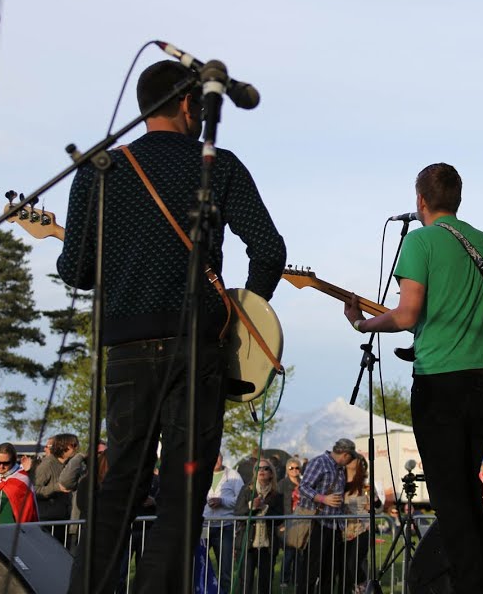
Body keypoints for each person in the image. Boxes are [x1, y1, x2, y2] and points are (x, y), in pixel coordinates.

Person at [58, 59, 287, 594]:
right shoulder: (218, 165)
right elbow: (269, 249)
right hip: (196, 349)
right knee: (183, 497)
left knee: (119, 488)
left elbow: (74, 270)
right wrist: (245, 315)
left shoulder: (99, 170)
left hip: (127, 349)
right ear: (191, 105)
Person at [343, 162, 483, 593]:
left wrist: (361, 325)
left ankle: (469, 584)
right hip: (480, 381)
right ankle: (481, 579)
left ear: (420, 200)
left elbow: (406, 316)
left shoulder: (420, 242)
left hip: (438, 381)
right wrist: (473, 315)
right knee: (465, 487)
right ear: (457, 199)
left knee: (449, 496)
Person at [296, 438, 356, 594]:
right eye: (351, 456)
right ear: (345, 454)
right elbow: (303, 487)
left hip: (334, 526)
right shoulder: (319, 462)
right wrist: (322, 498)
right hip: (317, 523)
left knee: (329, 571)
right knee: (311, 568)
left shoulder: (340, 469)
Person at [235, 458, 284, 594]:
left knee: (265, 584)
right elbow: (238, 513)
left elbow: (279, 518)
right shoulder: (246, 490)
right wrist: (252, 507)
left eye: (265, 468)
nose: (261, 471)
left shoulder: (277, 495)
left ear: (272, 473)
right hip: (247, 545)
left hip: (267, 547)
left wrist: (265, 507)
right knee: (245, 583)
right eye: (258, 468)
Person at [203, 452, 243, 594]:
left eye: (218, 457)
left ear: (222, 458)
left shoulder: (233, 475)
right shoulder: (201, 474)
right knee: (200, 564)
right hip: (204, 526)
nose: (215, 460)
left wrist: (223, 501)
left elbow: (241, 500)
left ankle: (225, 592)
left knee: (225, 568)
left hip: (225, 526)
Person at [341, 452, 381, 594]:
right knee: (343, 567)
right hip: (342, 530)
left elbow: (378, 505)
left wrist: (372, 505)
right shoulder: (340, 482)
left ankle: (363, 586)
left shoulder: (366, 486)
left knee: (354, 563)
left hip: (361, 529)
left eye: (354, 461)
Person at [36, 432, 81, 544]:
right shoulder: (47, 464)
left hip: (64, 520)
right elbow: (34, 490)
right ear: (62, 446)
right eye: (73, 445)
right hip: (48, 521)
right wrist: (56, 487)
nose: (77, 448)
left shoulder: (70, 465)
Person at [277, 456, 304, 588]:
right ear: (287, 470)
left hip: (302, 521)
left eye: (296, 467)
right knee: (289, 552)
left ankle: (297, 578)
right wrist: (281, 523)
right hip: (288, 521)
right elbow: (277, 503)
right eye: (291, 468)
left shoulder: (304, 483)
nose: (294, 470)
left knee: (300, 552)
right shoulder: (282, 484)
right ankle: (284, 579)